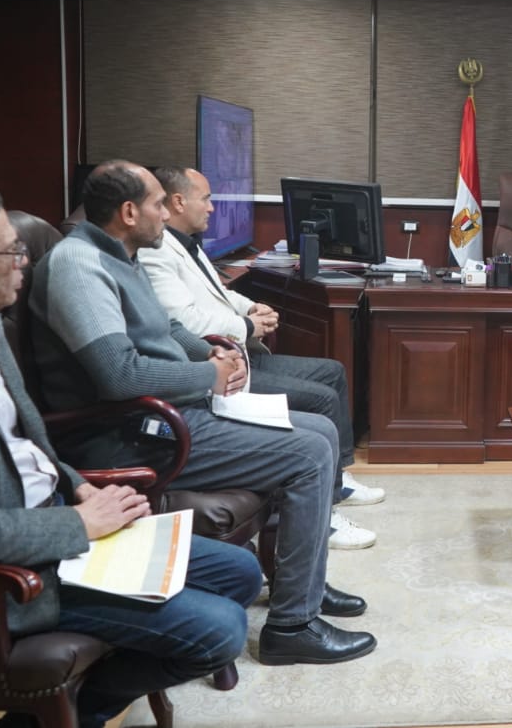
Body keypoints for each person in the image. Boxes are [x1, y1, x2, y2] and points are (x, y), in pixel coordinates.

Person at [0, 174, 264, 728]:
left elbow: (24, 446)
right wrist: (79, 524)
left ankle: (59, 716)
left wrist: (77, 485)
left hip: (57, 519)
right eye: (8, 252)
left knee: (240, 573)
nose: (23, 263)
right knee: (220, 630)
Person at [29, 161, 377, 666]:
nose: (164, 214)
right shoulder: (78, 266)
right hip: (130, 433)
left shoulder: (122, 255)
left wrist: (214, 354)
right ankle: (292, 627)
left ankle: (302, 587)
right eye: (156, 204)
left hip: (169, 413)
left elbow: (166, 331)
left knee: (320, 430)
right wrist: (206, 376)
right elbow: (119, 376)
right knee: (309, 453)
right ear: (129, 212)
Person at [139, 166, 381, 550]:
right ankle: (326, 511)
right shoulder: (155, 252)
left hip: (239, 350)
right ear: (179, 201)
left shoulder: (186, 242)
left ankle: (337, 479)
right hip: (217, 362)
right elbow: (186, 321)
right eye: (206, 199)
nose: (212, 208)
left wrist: (253, 307)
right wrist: (248, 325)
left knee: (332, 372)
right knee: (321, 400)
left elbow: (219, 294)